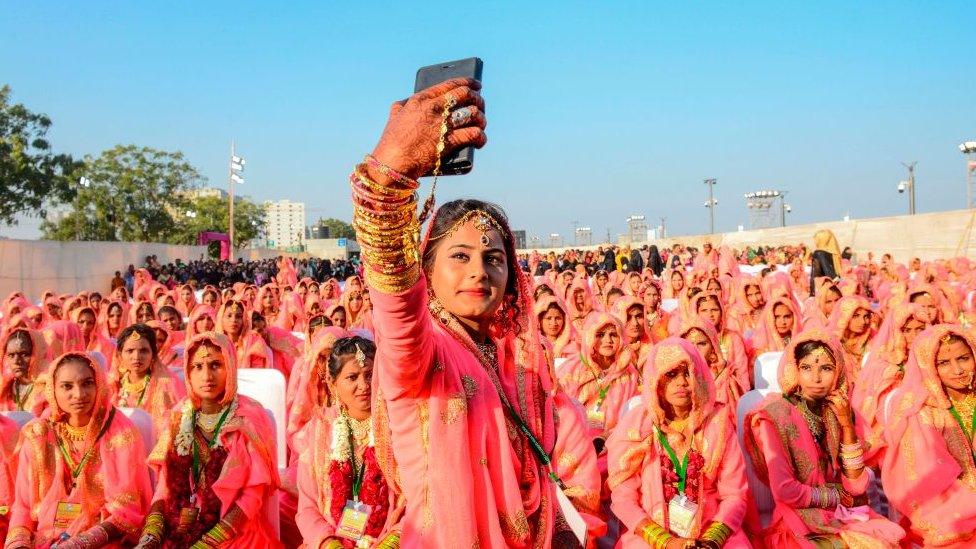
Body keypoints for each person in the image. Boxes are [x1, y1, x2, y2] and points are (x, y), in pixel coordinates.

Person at [351, 76, 582, 546]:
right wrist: (389, 176)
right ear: (427, 272)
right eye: (459, 256)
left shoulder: (519, 362)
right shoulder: (420, 354)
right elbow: (396, 302)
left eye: (493, 258)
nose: (479, 271)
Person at [744, 331, 904, 547]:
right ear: (796, 370)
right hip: (798, 519)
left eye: (826, 368)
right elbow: (784, 491)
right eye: (807, 368)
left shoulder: (842, 411)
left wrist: (846, 425)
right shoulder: (776, 415)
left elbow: (856, 486)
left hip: (844, 513)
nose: (816, 378)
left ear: (837, 370)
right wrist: (836, 496)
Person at [135, 333, 281, 548]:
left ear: (230, 366)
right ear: (188, 372)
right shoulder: (178, 416)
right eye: (198, 367)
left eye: (215, 365)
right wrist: (152, 533)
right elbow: (165, 485)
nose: (207, 376)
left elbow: (252, 496)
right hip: (180, 525)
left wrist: (208, 543)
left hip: (234, 533)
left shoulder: (249, 418)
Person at [607, 338, 750, 548]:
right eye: (671, 374)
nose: (682, 382)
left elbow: (735, 494)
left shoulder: (717, 423)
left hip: (710, 529)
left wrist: (712, 539)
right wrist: (664, 541)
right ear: (656, 379)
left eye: (688, 373)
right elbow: (623, 497)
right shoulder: (638, 425)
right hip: (650, 533)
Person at [4, 352, 151, 549]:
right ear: (52, 390)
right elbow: (23, 507)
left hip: (100, 540)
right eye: (67, 386)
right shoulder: (38, 435)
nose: (79, 394)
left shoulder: (120, 434)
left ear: (98, 384)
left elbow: (126, 512)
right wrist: (18, 544)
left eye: (87, 383)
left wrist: (78, 544)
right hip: (44, 538)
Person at [295, 336, 402, 548]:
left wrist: (392, 541)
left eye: (370, 375)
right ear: (333, 384)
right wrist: (328, 543)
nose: (364, 386)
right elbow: (307, 507)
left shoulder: (398, 426)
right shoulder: (320, 429)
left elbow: (417, 499)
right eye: (352, 377)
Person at [880, 325, 976, 547]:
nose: (958, 369)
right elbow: (928, 478)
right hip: (950, 512)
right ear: (928, 367)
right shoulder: (921, 412)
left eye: (963, 358)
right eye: (944, 363)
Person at [108, 325, 185, 434]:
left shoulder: (168, 384)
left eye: (144, 351)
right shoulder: (113, 385)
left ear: (153, 354)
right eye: (130, 351)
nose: (136, 357)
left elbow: (178, 423)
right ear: (120, 355)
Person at [0, 328, 47, 413]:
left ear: (38, 354)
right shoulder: (5, 388)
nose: (16, 361)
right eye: (11, 355)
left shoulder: (47, 388)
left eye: (24, 354)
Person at [534, 294, 580, 361]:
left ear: (565, 320)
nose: (554, 323)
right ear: (540, 320)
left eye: (558, 318)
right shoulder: (533, 346)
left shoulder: (573, 347)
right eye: (548, 318)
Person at [809, 229, 842, 296]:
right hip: (835, 288)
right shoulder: (833, 253)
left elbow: (817, 274)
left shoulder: (819, 253)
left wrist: (812, 293)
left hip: (824, 289)